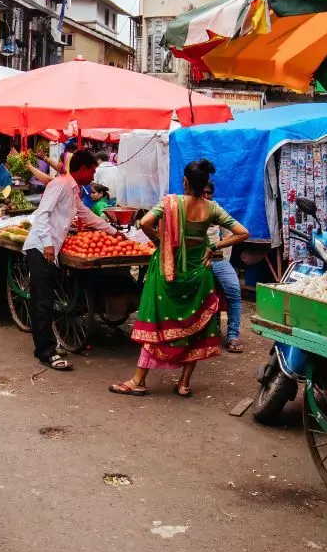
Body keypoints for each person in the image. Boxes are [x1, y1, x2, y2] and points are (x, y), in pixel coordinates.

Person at [111, 160, 249, 397]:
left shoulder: (169, 202)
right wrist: (214, 246)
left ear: (185, 181)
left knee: (158, 324)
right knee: (194, 328)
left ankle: (139, 380)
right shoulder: (212, 208)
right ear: (205, 184)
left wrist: (160, 242)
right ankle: (184, 384)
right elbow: (242, 232)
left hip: (168, 271)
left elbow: (145, 223)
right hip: (198, 275)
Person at [22, 151, 120, 371]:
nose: (93, 176)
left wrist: (112, 232)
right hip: (40, 248)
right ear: (83, 169)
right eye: (92, 171)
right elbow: (43, 214)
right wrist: (47, 243)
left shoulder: (74, 188)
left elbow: (84, 214)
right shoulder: (59, 184)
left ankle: (46, 346)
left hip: (50, 248)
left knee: (46, 300)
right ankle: (46, 352)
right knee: (43, 301)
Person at [203, 181, 246, 353]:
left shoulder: (216, 209)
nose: (206, 196)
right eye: (203, 192)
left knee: (234, 290)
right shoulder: (190, 209)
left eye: (209, 193)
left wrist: (221, 253)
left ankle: (233, 335)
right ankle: (210, 333)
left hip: (218, 259)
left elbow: (232, 233)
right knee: (204, 296)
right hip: (197, 261)